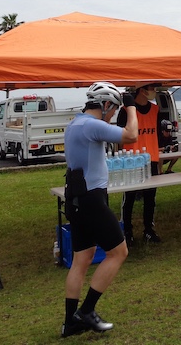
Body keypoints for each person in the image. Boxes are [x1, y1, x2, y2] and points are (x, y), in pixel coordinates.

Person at [61, 82, 138, 337]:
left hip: (76, 197)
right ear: (105, 104)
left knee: (82, 258)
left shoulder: (75, 123)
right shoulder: (92, 125)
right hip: (91, 198)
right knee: (119, 252)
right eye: (114, 109)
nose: (114, 114)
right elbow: (131, 135)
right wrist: (131, 108)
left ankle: (70, 322)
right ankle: (86, 311)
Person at [117, 83, 163, 245]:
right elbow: (119, 137)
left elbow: (158, 134)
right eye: (152, 89)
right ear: (142, 91)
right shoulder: (125, 111)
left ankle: (149, 230)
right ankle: (127, 231)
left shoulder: (155, 110)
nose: (154, 92)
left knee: (150, 197)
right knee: (129, 197)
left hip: (151, 159)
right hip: (132, 160)